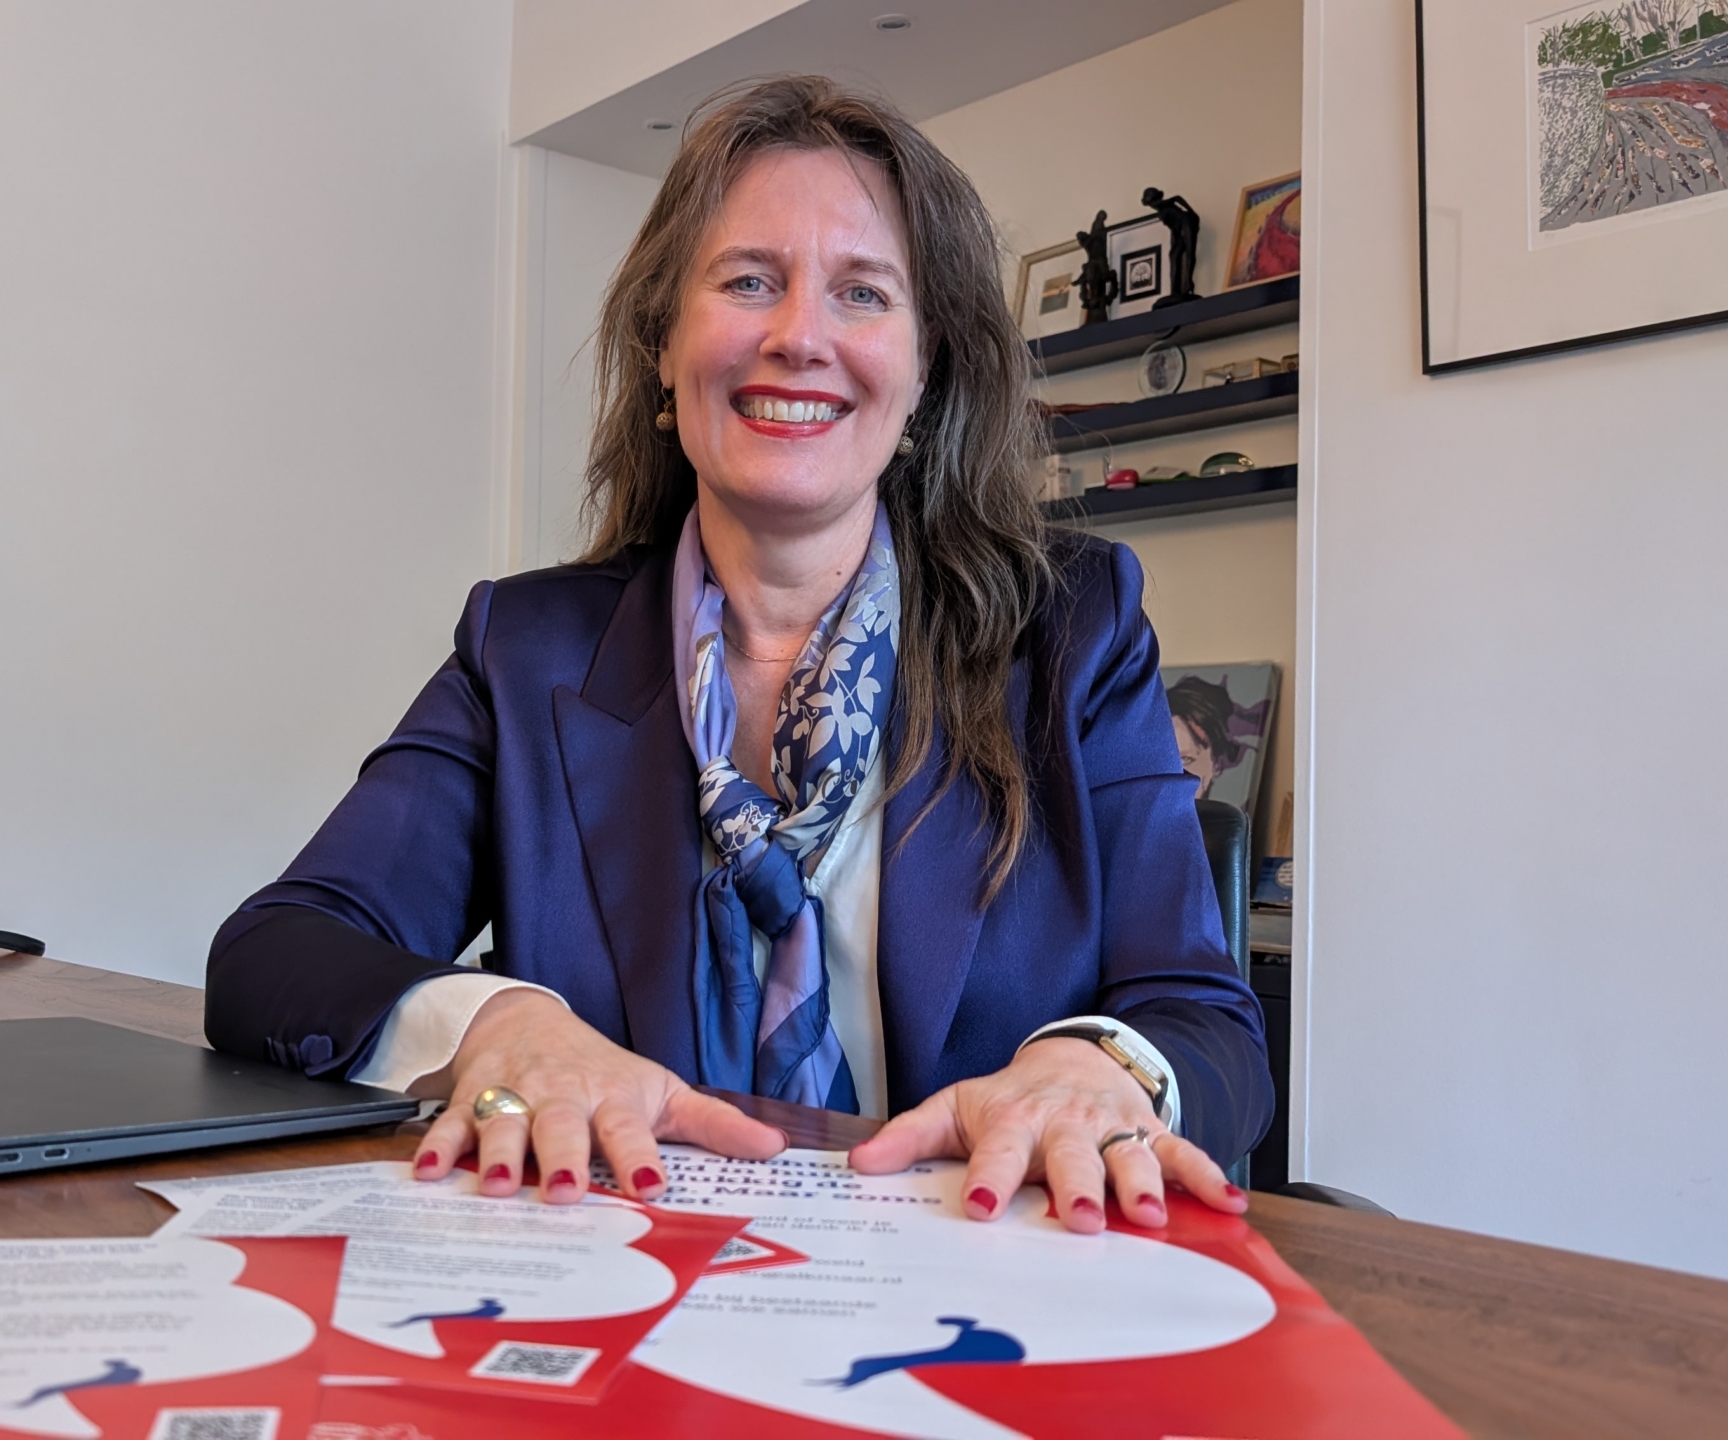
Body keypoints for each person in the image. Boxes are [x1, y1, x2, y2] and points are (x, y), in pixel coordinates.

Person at [207, 77, 1270, 1234]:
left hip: (974, 1300)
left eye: (861, 292)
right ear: (664, 346)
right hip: (623, 1292)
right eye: (749, 280)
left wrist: (1095, 1072)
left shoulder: (1072, 631)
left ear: (924, 376)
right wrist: (497, 1027)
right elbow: (275, 954)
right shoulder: (523, 651)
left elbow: (1203, 1020)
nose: (796, 336)